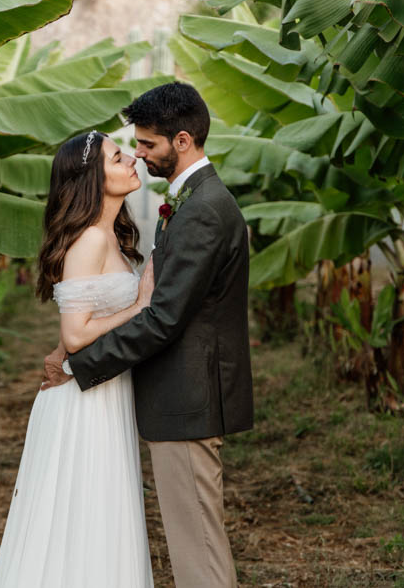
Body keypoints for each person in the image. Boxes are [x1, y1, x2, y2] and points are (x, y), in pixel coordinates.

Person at [45, 82, 253, 588]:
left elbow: (163, 318)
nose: (138, 153)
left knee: (198, 549)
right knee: (196, 541)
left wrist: (78, 365)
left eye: (146, 144)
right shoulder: (192, 201)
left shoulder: (202, 210)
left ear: (182, 140)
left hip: (187, 399)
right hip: (180, 397)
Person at [0, 130, 156, 587]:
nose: (132, 161)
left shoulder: (109, 235)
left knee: (100, 511)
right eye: (118, 158)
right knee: (83, 512)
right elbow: (76, 332)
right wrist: (140, 307)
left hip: (103, 388)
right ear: (92, 179)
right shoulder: (90, 240)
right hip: (84, 403)